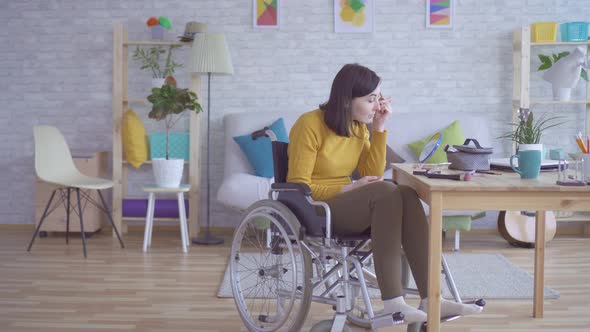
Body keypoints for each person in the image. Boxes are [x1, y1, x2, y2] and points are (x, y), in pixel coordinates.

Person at [287, 63, 482, 323]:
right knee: (387, 192)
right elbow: (299, 185)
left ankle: (432, 298)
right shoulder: (309, 124)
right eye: (371, 100)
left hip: (348, 202)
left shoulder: (357, 127)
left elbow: (373, 171)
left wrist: (377, 128)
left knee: (406, 194)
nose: (378, 105)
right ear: (347, 100)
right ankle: (393, 302)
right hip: (317, 208)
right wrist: (351, 187)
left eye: (378, 98)